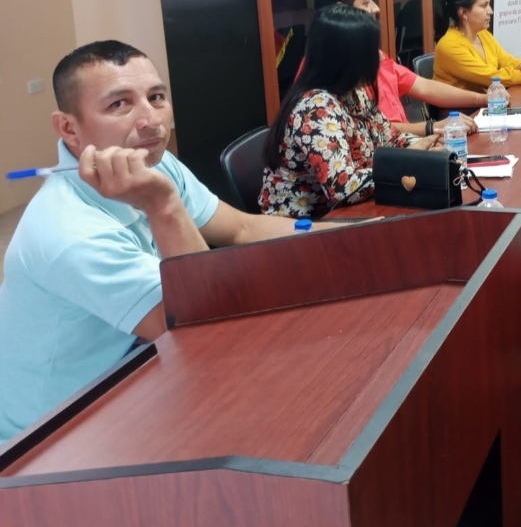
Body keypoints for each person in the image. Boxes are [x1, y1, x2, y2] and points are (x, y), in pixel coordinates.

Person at [0, 41, 303, 442]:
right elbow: (205, 330)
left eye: (156, 97)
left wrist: (345, 232)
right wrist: (162, 205)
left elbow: (241, 229)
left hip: (134, 365)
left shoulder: (152, 163)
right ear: (69, 129)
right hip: (50, 436)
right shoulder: (68, 232)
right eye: (119, 105)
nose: (151, 121)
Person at [260, 5, 442, 218]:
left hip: (351, 211)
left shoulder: (353, 92)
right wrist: (408, 162)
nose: (379, 59)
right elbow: (343, 188)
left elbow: (391, 139)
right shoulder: (315, 110)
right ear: (349, 58)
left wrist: (430, 145)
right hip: (306, 225)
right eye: (371, 51)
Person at [310, 0, 483, 136]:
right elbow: (374, 132)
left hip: (403, 143)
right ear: (342, 11)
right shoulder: (327, 74)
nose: (376, 8)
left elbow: (423, 87)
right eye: (366, 2)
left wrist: (482, 99)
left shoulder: (374, 55)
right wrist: (433, 127)